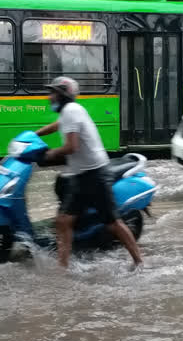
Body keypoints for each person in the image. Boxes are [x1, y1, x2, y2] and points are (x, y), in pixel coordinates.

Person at [35, 76, 143, 269]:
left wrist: (49, 154)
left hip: (94, 175)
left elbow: (72, 146)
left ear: (62, 95)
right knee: (63, 221)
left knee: (113, 223)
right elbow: (58, 125)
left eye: (52, 93)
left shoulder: (71, 110)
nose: (49, 97)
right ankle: (63, 267)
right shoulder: (69, 111)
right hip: (80, 175)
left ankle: (139, 261)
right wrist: (34, 135)